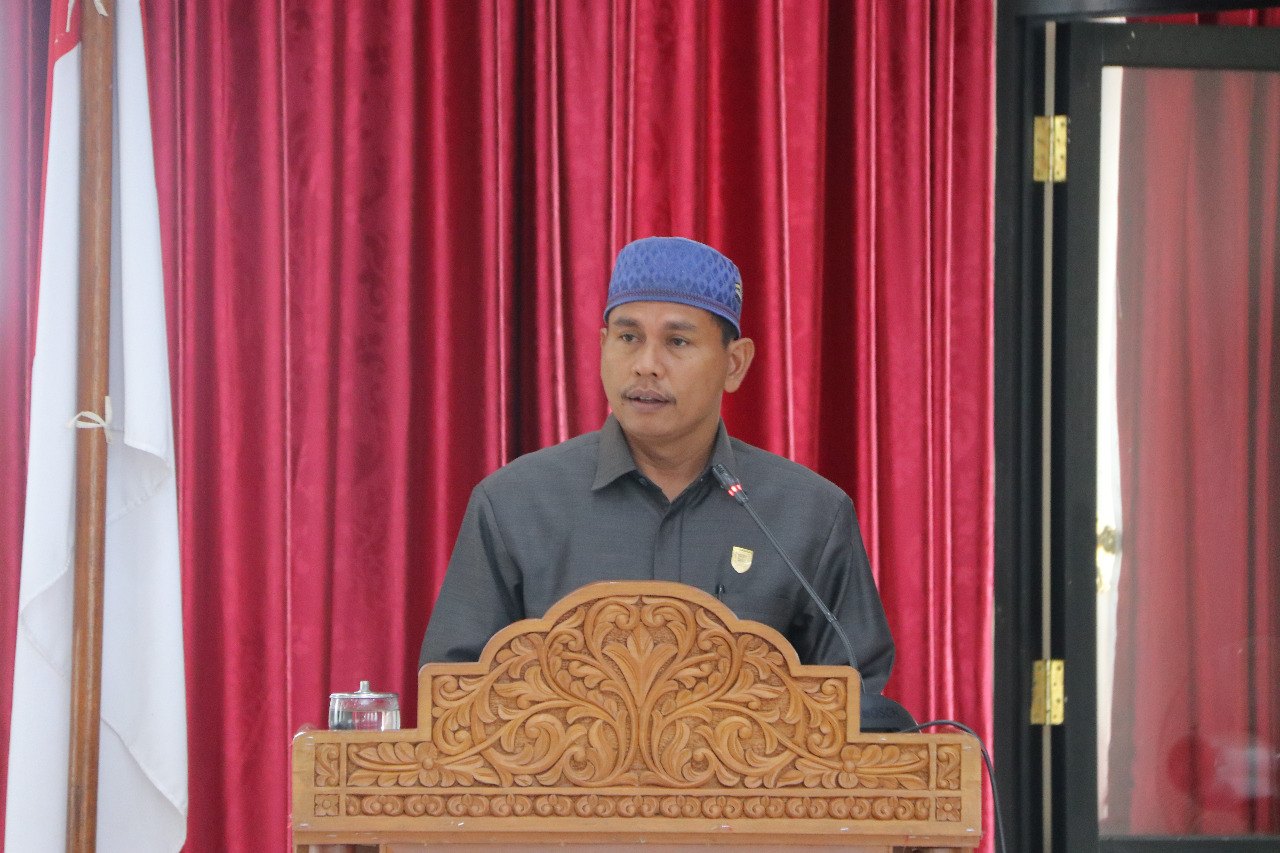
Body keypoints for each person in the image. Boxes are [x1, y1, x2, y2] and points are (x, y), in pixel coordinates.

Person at [420, 236, 895, 693]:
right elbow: (454, 693)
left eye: (678, 342)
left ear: (734, 364)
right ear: (603, 345)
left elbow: (858, 706)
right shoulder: (515, 504)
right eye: (628, 337)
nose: (646, 364)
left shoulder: (808, 514)